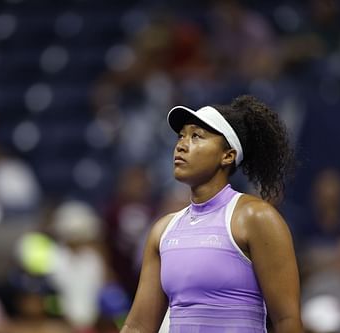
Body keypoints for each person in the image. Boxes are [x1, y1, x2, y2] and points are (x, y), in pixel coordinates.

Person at [121, 95, 301, 332]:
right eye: (181, 136)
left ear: (227, 155)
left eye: (196, 136)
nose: (182, 145)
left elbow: (287, 320)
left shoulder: (256, 217)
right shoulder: (163, 230)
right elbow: (138, 326)